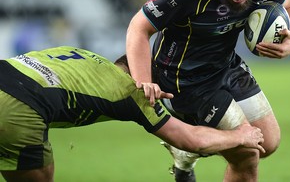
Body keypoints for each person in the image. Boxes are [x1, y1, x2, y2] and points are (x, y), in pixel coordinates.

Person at [126, 0, 290, 182]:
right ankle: (193, 142)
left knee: (269, 142)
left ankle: (188, 147)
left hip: (225, 65)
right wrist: (144, 81)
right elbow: (138, 28)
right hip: (184, 81)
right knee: (247, 154)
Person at [0, 46, 265, 182]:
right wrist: (240, 135)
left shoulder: (86, 56)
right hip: (18, 107)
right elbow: (190, 140)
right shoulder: (134, 93)